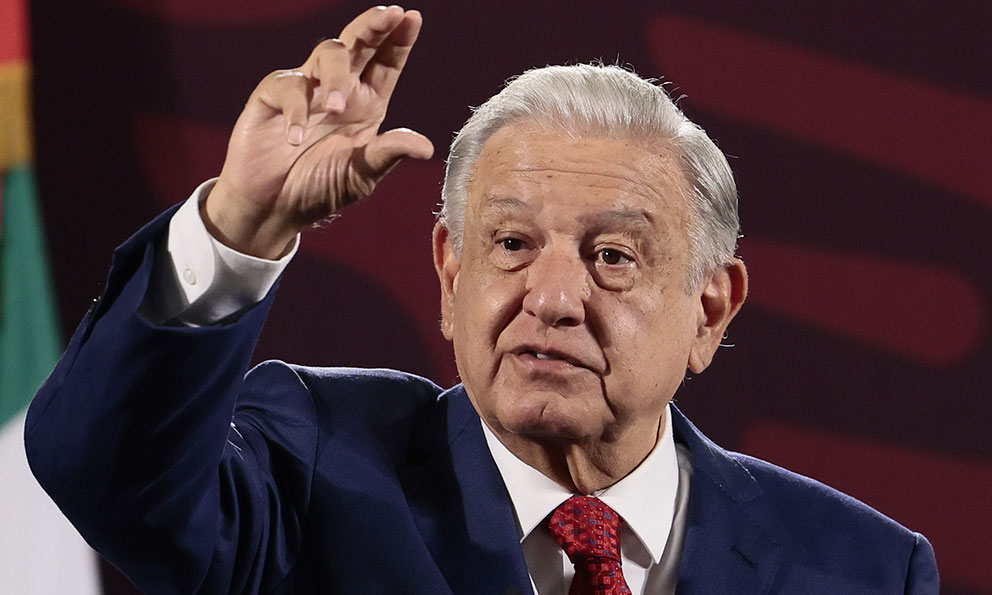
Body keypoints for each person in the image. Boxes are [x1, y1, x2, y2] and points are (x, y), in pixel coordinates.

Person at [25, 6, 938, 594]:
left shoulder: (861, 568)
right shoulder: (313, 469)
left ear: (711, 308)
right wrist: (238, 224)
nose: (552, 296)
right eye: (511, 244)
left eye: (611, 256)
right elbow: (103, 473)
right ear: (451, 272)